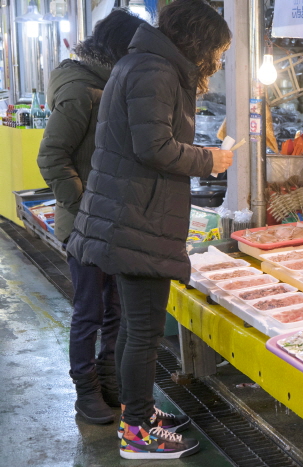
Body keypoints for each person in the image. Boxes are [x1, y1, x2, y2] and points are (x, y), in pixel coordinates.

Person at [67, 0, 233, 459]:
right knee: (142, 334)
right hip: (136, 222)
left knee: (134, 331)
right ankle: (137, 433)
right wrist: (209, 159)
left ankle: (137, 413)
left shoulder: (141, 64)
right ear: (198, 42)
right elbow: (153, 147)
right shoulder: (155, 71)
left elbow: (149, 139)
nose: (217, 62)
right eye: (217, 50)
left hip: (131, 218)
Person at [37, 9, 146, 425]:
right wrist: (82, 209)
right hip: (85, 224)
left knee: (114, 308)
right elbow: (51, 155)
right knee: (89, 311)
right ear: (118, 49)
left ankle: (109, 382)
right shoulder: (81, 90)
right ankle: (85, 392)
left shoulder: (107, 84)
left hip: (111, 223)